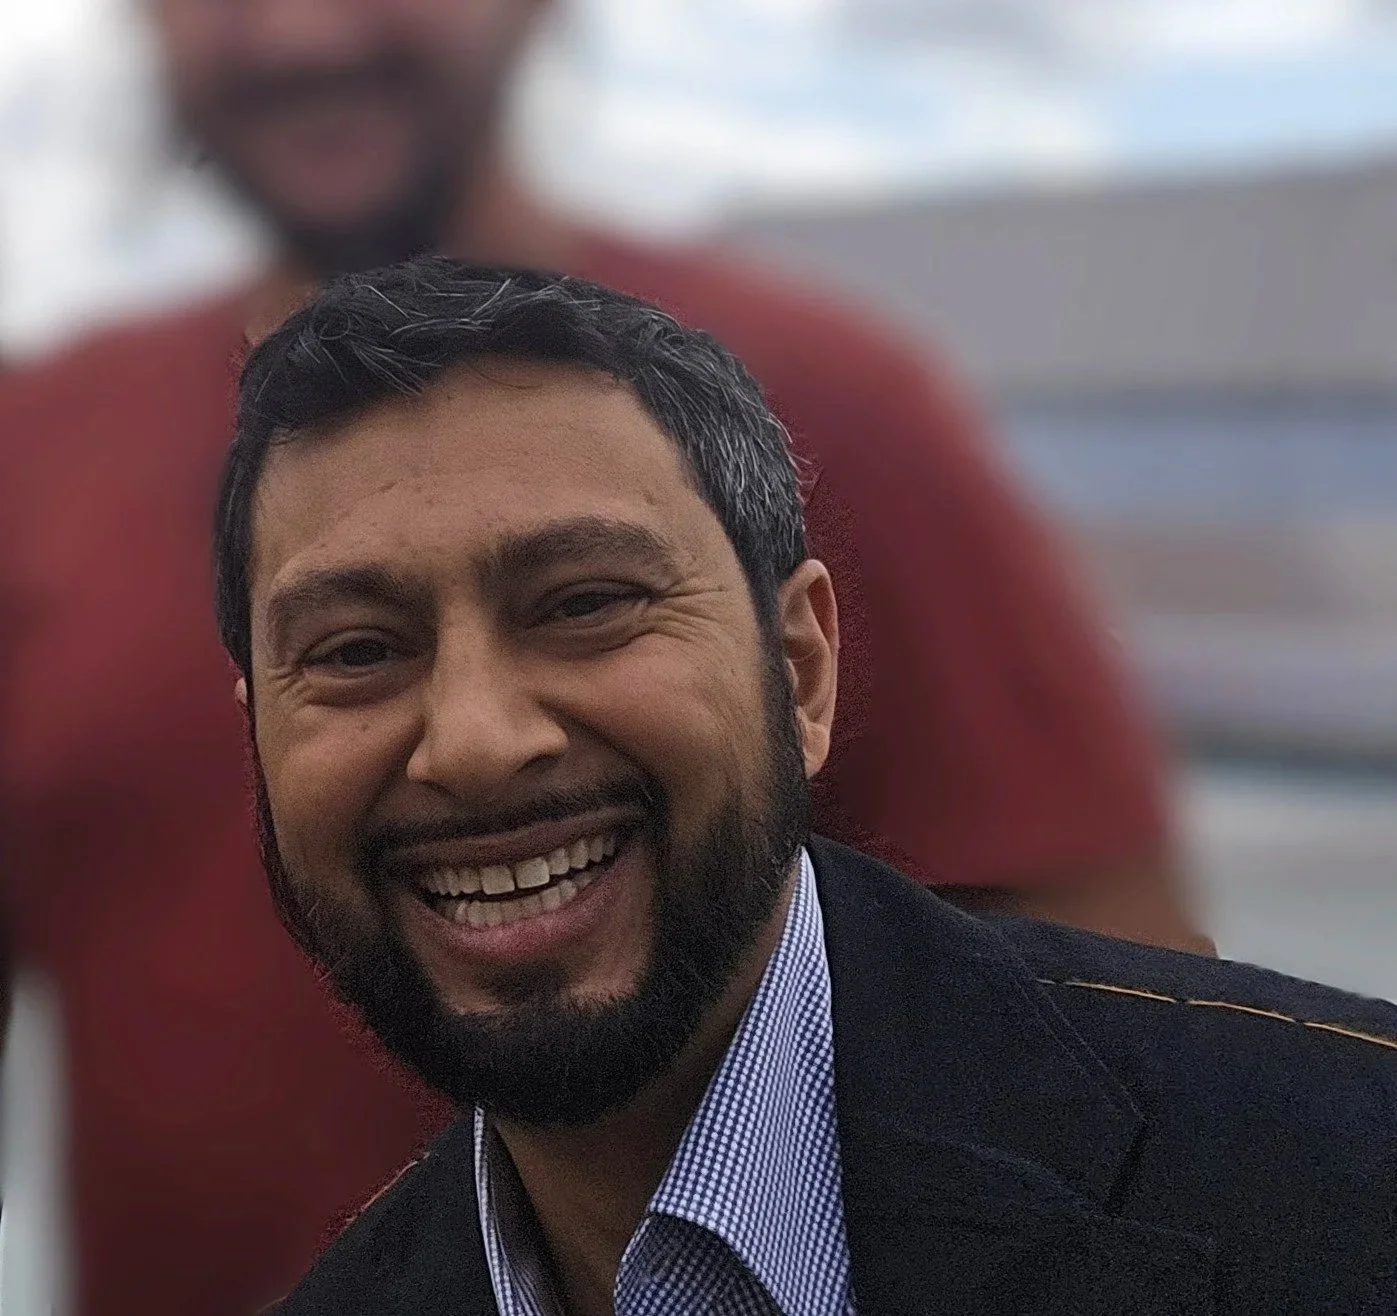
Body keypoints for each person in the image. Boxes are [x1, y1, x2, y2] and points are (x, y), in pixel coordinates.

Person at [0, 1, 1203, 1311]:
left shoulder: (838, 407)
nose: (301, 36)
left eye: (583, 605)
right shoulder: (33, 458)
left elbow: (1138, 1079)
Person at [229, 260, 1395, 1316]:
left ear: (800, 669)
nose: (476, 741)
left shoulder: (1348, 1164)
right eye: (354, 650)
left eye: (584, 602)